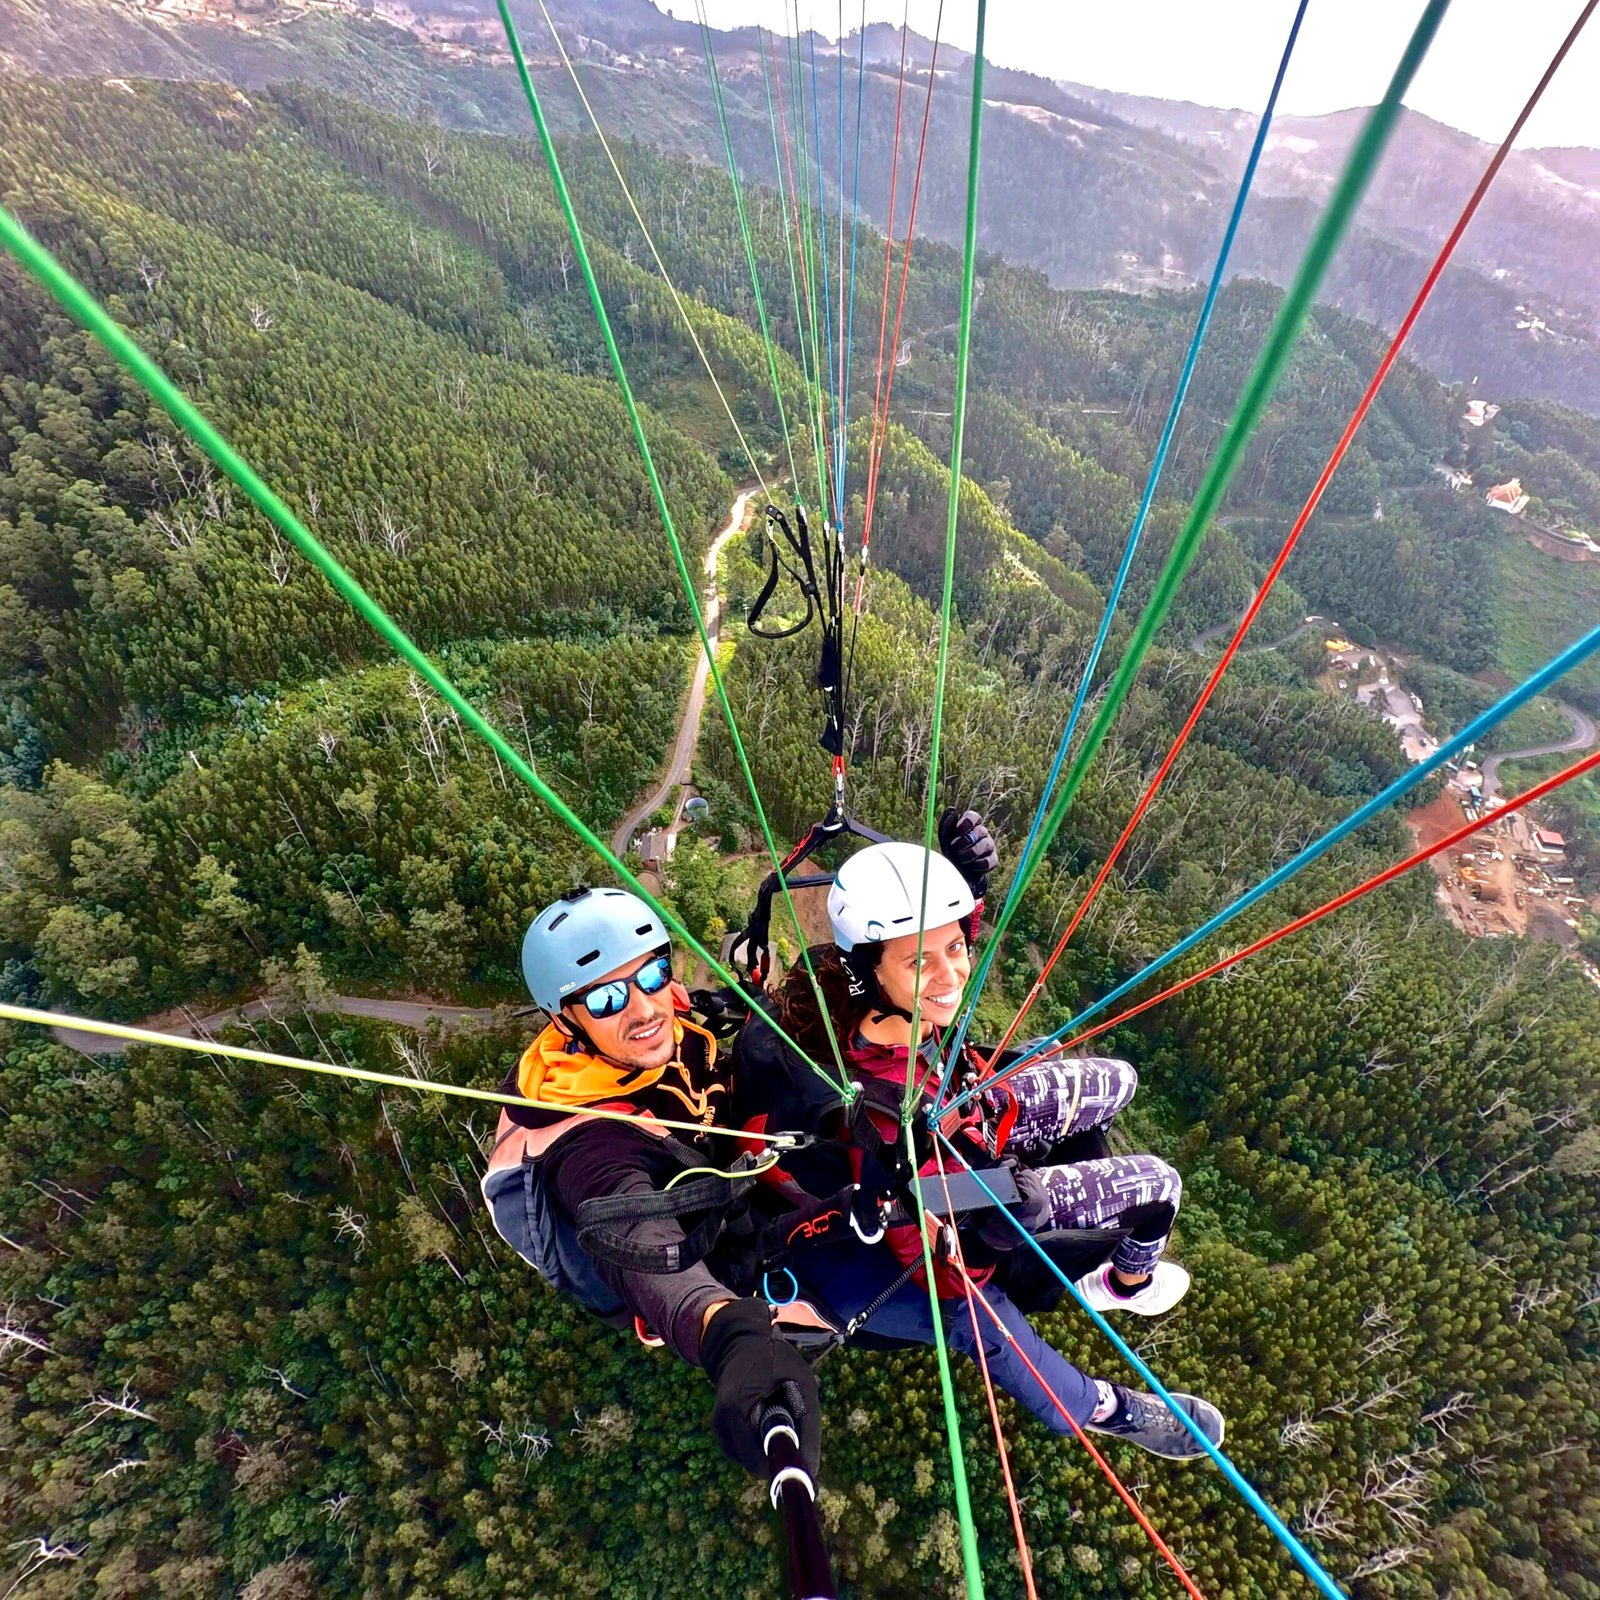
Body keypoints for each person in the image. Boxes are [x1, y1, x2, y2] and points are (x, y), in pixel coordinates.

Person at [734, 819, 1225, 1460]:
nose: (950, 974)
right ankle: (1111, 1347)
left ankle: (1095, 1253)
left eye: (955, 948)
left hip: (966, 1103)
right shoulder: (878, 1117)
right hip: (940, 1177)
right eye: (920, 960)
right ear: (870, 973)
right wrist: (993, 1228)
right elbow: (944, 1273)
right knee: (1156, 1188)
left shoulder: (851, 985)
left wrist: (969, 888)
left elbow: (934, 962)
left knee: (1119, 1079)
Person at [480, 884, 822, 1483]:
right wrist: (725, 1335)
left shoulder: (662, 1020)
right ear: (567, 1020)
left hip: (724, 1159)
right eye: (608, 996)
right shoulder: (587, 1144)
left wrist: (960, 903)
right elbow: (631, 1230)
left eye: (653, 972)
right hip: (714, 1246)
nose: (642, 1008)